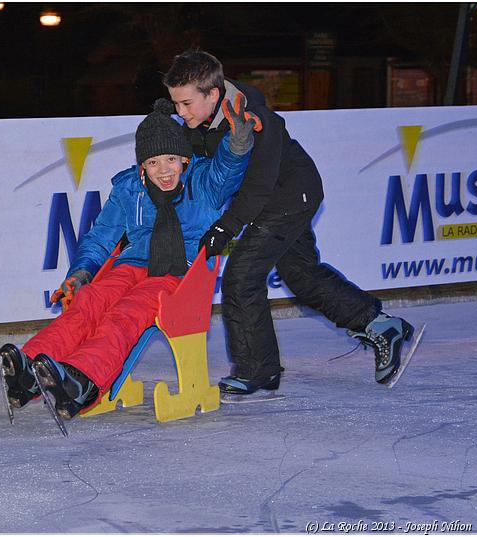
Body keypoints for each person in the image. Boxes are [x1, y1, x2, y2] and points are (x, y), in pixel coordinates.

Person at [162, 50, 415, 396]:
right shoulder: (203, 120)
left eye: (186, 104)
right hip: (270, 199)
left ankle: (257, 369)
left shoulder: (257, 120)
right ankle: (381, 325)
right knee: (302, 275)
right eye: (175, 104)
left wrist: (227, 226)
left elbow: (259, 185)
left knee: (242, 276)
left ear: (213, 94)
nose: (181, 112)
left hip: (289, 195)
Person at [0, 97, 255, 420]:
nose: (165, 171)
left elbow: (228, 169)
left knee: (127, 311)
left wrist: (239, 142)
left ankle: (83, 380)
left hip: (179, 274)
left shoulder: (203, 184)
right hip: (132, 265)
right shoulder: (129, 189)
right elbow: (102, 236)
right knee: (90, 300)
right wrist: (81, 274)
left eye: (172, 159)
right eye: (154, 163)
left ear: (185, 160)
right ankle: (28, 369)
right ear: (142, 166)